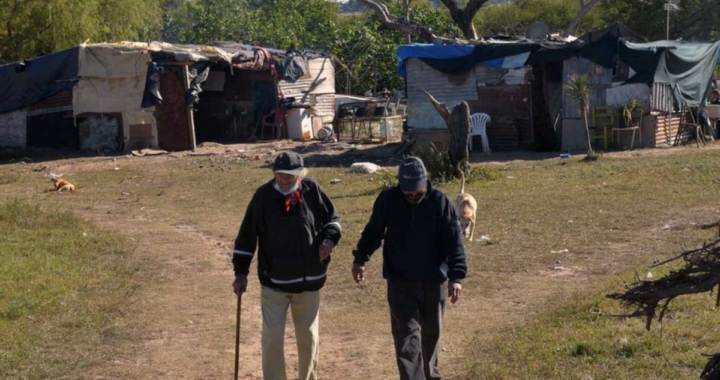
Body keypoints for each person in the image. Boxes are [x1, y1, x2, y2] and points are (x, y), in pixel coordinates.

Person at [351, 156, 467, 380]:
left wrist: (457, 277)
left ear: (426, 182)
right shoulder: (388, 200)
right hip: (400, 280)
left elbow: (455, 242)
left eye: (417, 190)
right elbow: (373, 231)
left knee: (431, 334)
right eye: (408, 191)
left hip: (435, 280)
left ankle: (430, 375)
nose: (413, 195)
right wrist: (360, 259)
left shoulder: (440, 201)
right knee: (406, 336)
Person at [232, 151, 341, 380]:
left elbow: (333, 219)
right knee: (272, 337)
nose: (284, 180)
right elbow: (246, 237)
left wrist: (329, 241)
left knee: (309, 338)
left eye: (289, 176)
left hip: (309, 281)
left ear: (301, 175)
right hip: (275, 282)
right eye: (280, 175)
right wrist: (241, 273)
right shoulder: (262, 197)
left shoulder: (312, 190)